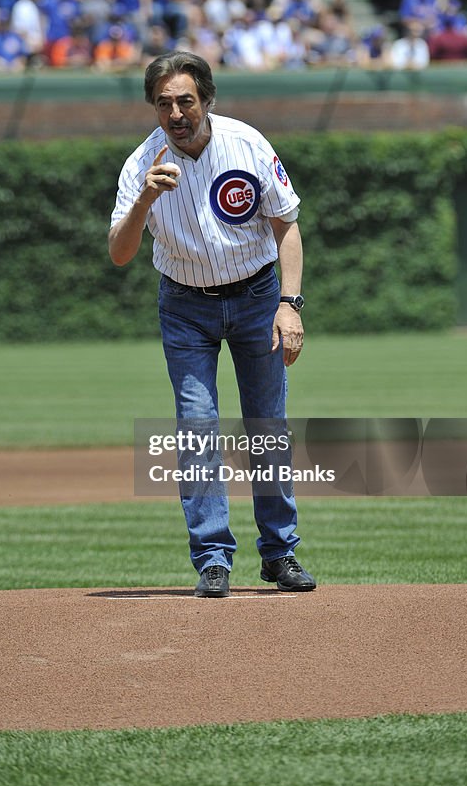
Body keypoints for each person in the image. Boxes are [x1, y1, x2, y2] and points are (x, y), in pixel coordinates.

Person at [109, 50, 315, 598]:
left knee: (267, 425)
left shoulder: (246, 144)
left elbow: (286, 227)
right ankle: (213, 559)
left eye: (185, 100)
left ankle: (279, 554)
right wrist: (145, 199)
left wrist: (289, 304)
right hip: (185, 306)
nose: (175, 112)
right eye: (164, 104)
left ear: (206, 100)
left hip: (255, 296)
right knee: (197, 425)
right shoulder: (141, 164)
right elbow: (120, 252)